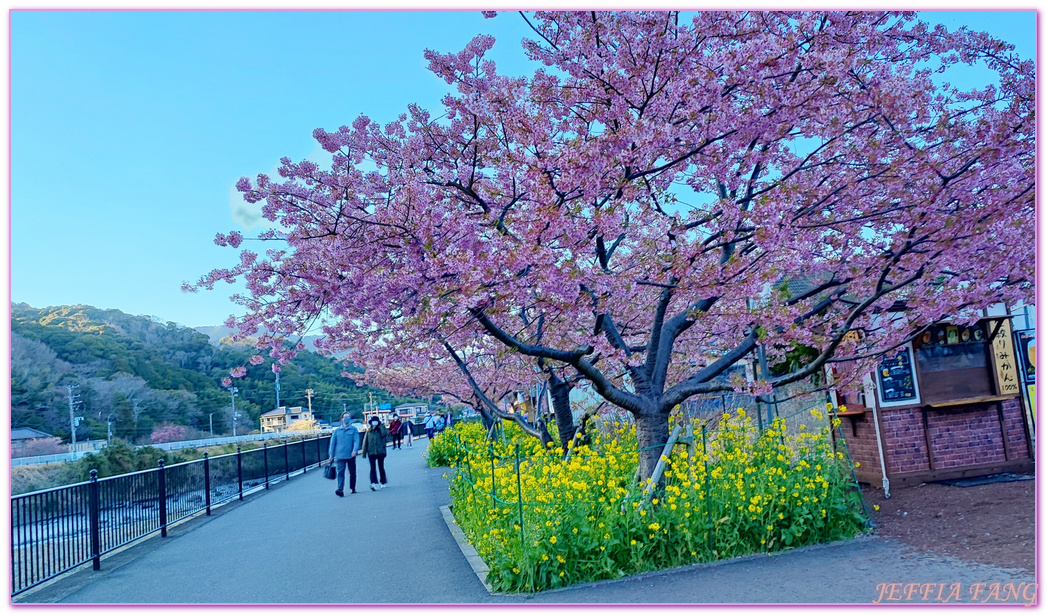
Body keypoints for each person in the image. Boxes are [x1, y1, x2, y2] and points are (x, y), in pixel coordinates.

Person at [327, 413, 362, 496]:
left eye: (348, 416)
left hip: (351, 455)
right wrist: (331, 455)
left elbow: (356, 441)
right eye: (345, 417)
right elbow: (332, 444)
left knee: (352, 472)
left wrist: (355, 451)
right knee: (340, 473)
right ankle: (340, 489)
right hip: (340, 456)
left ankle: (353, 488)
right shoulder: (337, 431)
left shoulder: (353, 429)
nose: (347, 418)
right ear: (341, 419)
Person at [361, 415, 389, 490]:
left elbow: (385, 434)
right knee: (372, 468)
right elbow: (365, 442)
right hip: (371, 452)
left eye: (376, 421)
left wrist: (381, 426)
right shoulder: (369, 431)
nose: (374, 423)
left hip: (380, 451)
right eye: (373, 421)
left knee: (381, 467)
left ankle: (383, 481)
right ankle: (373, 482)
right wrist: (364, 453)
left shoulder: (381, 429)